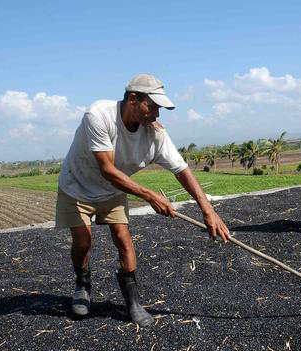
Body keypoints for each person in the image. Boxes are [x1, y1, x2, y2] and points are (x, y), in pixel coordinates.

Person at [56, 73, 230, 327]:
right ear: (133, 99)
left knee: (123, 239)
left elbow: (182, 171)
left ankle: (133, 302)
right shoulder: (98, 115)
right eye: (154, 106)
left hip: (113, 191)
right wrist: (150, 196)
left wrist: (208, 211)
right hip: (77, 186)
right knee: (83, 241)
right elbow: (107, 169)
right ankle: (82, 283)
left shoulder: (155, 135)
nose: (157, 115)